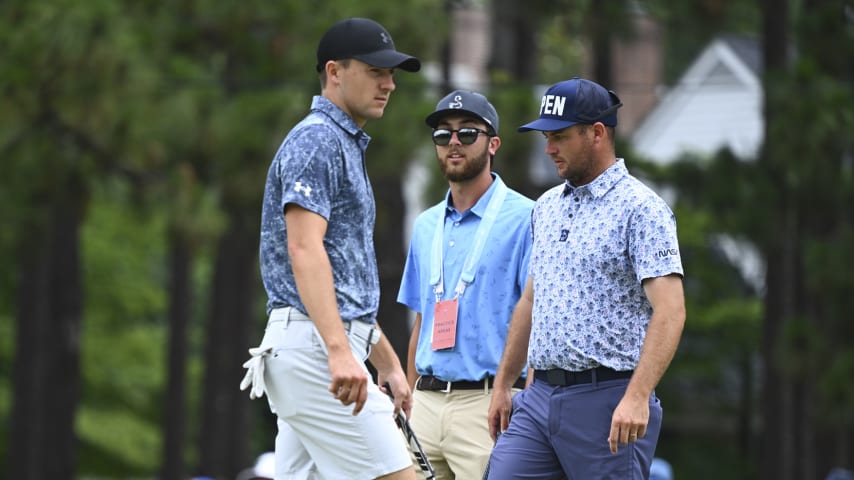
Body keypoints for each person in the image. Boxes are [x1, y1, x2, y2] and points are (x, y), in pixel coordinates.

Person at [239, 17, 421, 480]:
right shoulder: (318, 139)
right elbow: (304, 250)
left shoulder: (341, 143)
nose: (389, 84)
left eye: (392, 74)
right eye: (376, 70)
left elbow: (343, 285)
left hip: (317, 349)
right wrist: (340, 352)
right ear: (335, 72)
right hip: (315, 353)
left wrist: (388, 364)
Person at [485, 77, 686, 479]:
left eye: (559, 136)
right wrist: (505, 383)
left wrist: (637, 396)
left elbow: (671, 310)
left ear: (596, 133)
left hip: (607, 399)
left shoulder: (642, 209)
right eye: (546, 137)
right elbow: (530, 299)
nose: (549, 149)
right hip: (538, 400)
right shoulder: (545, 207)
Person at [397, 90, 534, 479]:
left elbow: (539, 319)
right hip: (424, 402)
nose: (453, 142)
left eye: (467, 133)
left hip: (488, 404)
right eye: (443, 135)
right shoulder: (424, 226)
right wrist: (409, 399)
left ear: (493, 144)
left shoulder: (527, 217)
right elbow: (422, 322)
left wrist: (525, 400)